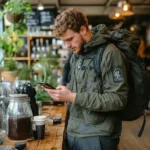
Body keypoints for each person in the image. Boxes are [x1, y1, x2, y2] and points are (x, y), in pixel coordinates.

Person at [44, 8, 128, 150]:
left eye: (69, 39)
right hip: (74, 132)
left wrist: (73, 97)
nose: (67, 46)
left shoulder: (109, 53)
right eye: (64, 41)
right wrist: (65, 92)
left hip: (98, 137)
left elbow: (118, 99)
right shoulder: (76, 54)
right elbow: (83, 88)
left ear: (83, 30)